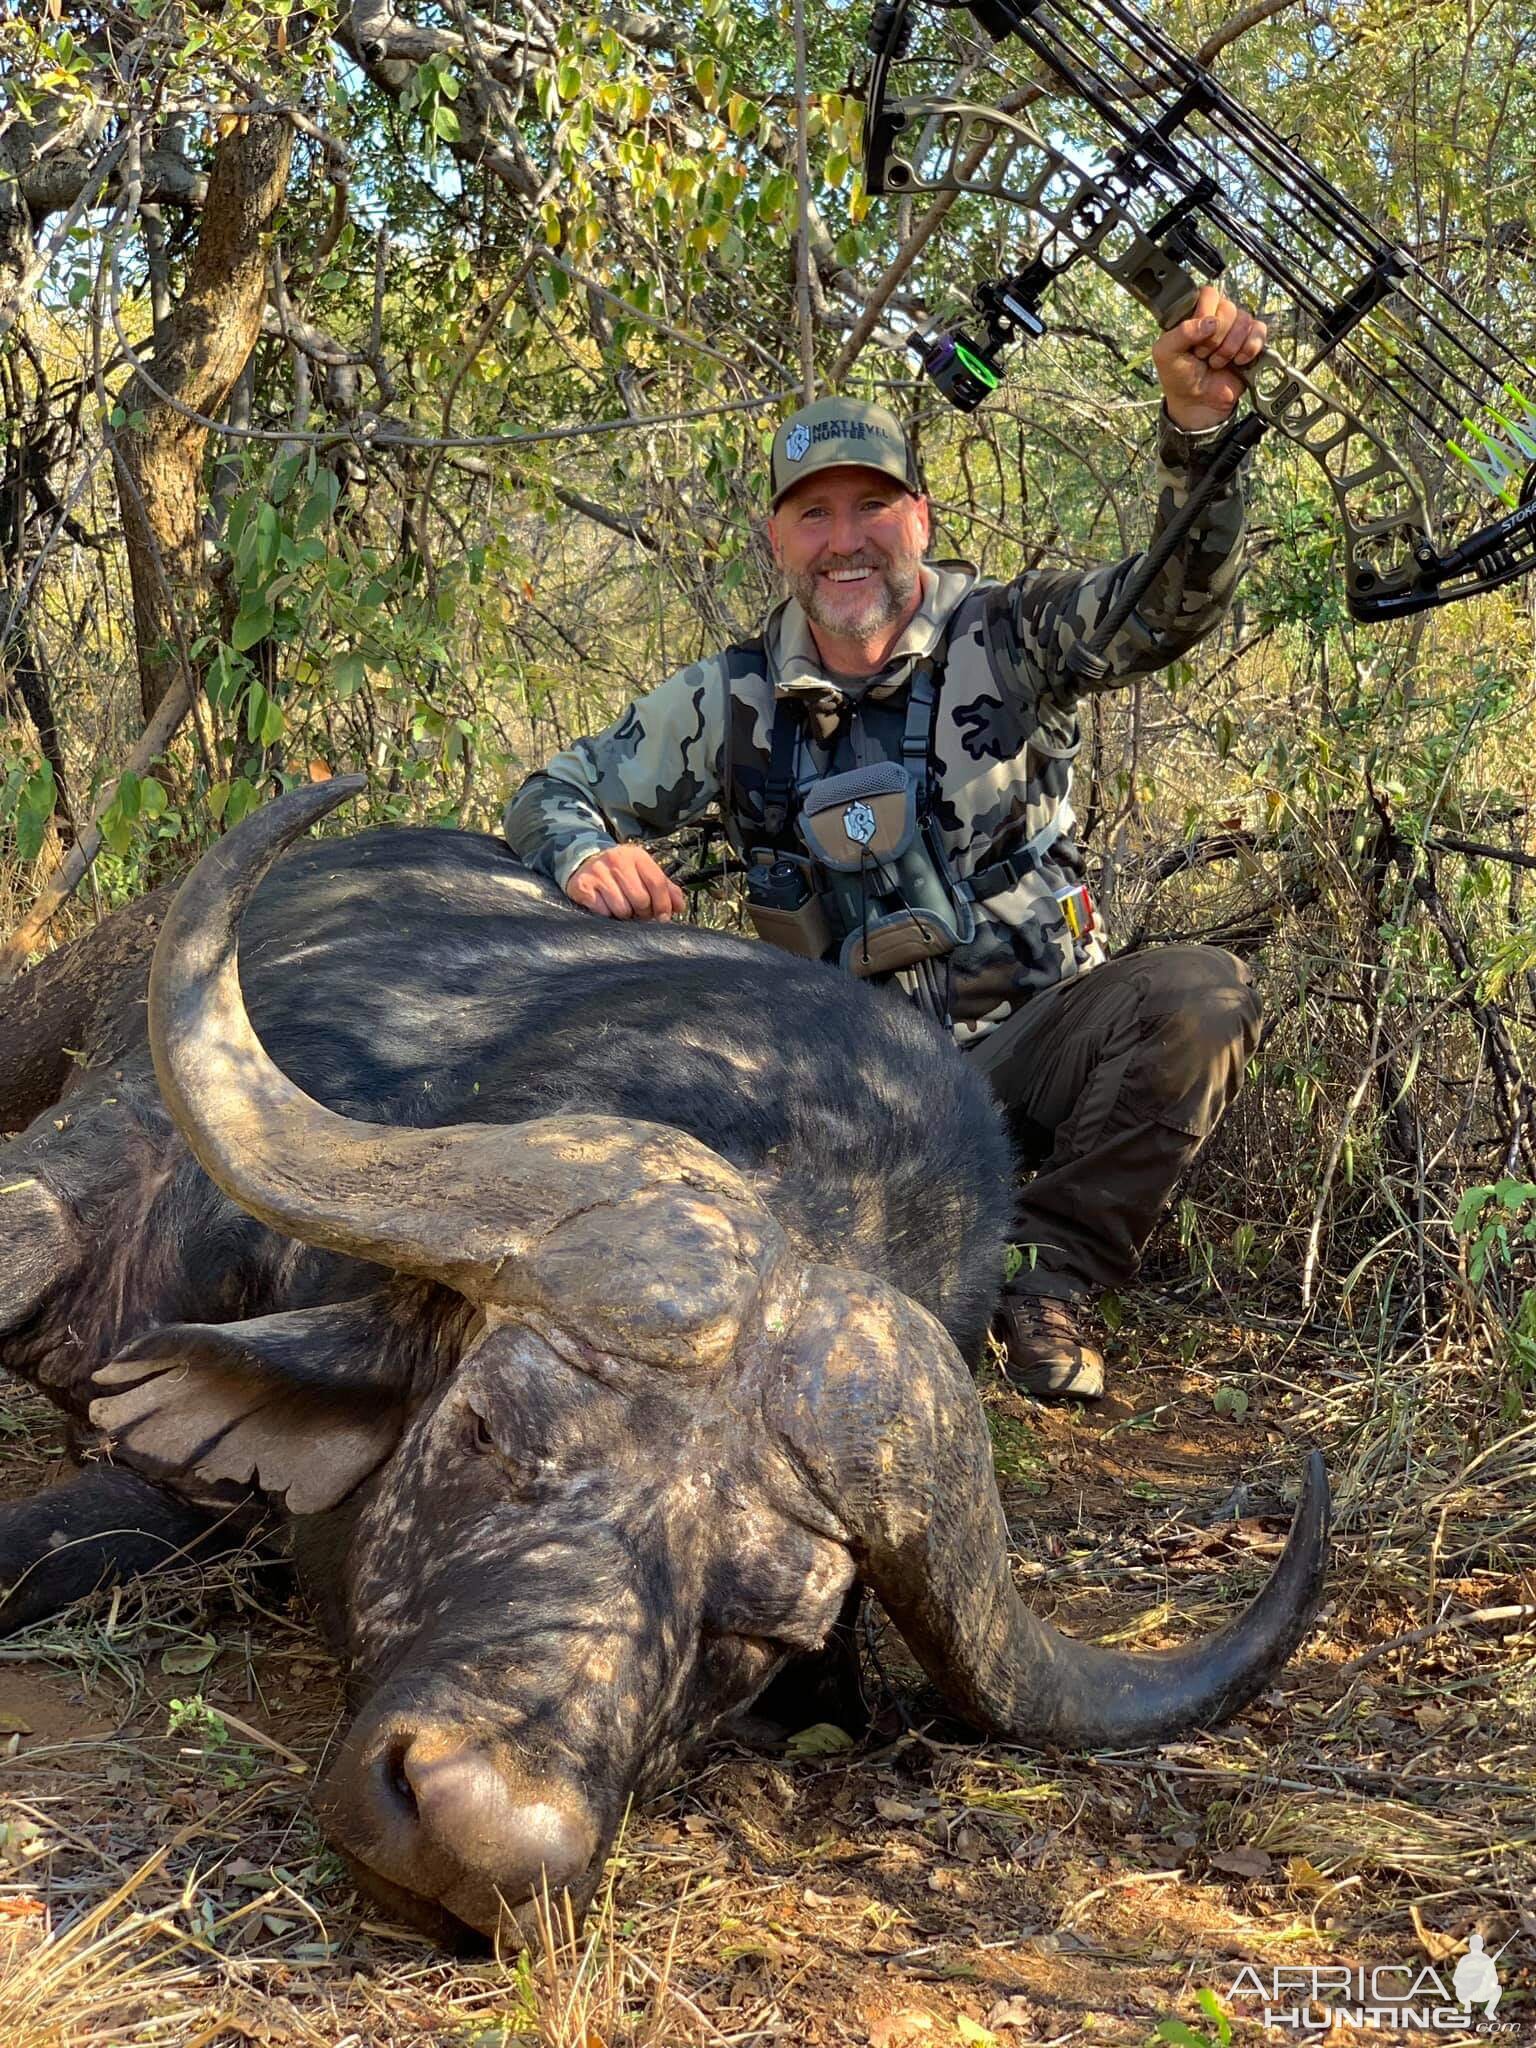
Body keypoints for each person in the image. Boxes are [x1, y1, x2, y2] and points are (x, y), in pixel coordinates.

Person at [504, 285, 1266, 1402]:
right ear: (776, 538)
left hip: (1022, 1053)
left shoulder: (1009, 636)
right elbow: (555, 790)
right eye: (814, 514)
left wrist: (1200, 433)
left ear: (920, 516)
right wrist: (583, 854)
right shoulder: (727, 699)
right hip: (839, 1101)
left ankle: (1043, 1274)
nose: (845, 540)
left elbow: (1169, 608)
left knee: (1204, 999)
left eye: (872, 506)